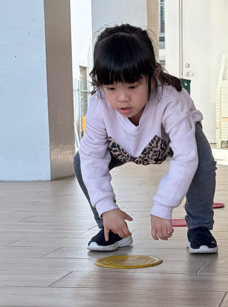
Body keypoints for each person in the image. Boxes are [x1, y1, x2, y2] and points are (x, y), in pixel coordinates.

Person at [74, 24, 218, 254]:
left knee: (202, 161)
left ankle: (200, 227)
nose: (122, 98)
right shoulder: (98, 104)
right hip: (122, 146)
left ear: (153, 77)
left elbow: (185, 157)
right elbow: (91, 158)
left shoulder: (170, 100)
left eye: (132, 86)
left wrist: (163, 206)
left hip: (169, 142)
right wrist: (106, 207)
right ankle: (110, 229)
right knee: (80, 160)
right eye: (111, 87)